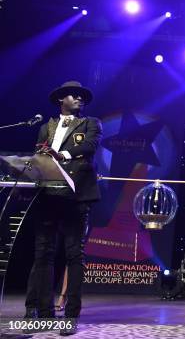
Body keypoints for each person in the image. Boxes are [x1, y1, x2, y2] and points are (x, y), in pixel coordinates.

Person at [25, 81, 102, 336]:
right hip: (47, 194)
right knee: (42, 254)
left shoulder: (91, 123)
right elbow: (37, 154)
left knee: (74, 255)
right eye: (74, 95)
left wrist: (62, 155)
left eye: (82, 96)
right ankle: (40, 312)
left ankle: (70, 316)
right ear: (61, 100)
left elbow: (89, 147)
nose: (80, 99)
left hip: (76, 195)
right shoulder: (46, 126)